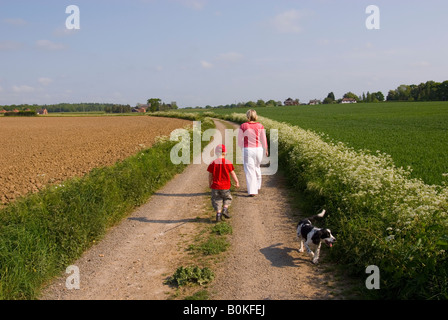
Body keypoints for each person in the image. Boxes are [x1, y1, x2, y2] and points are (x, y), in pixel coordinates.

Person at [238, 109, 268, 197]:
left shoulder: (243, 126)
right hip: (258, 149)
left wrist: (241, 148)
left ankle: (252, 190)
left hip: (248, 149)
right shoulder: (260, 126)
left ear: (247, 116)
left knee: (249, 170)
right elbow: (263, 139)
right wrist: (266, 149)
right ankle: (258, 186)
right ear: (255, 116)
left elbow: (239, 140)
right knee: (257, 167)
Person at [207, 144, 240, 222]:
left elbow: (210, 175)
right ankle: (225, 209)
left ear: (216, 153)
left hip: (215, 186)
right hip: (225, 186)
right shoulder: (228, 162)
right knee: (227, 198)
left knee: (217, 200)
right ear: (225, 153)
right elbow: (232, 173)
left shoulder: (213, 163)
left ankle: (218, 215)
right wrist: (237, 182)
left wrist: (210, 183)